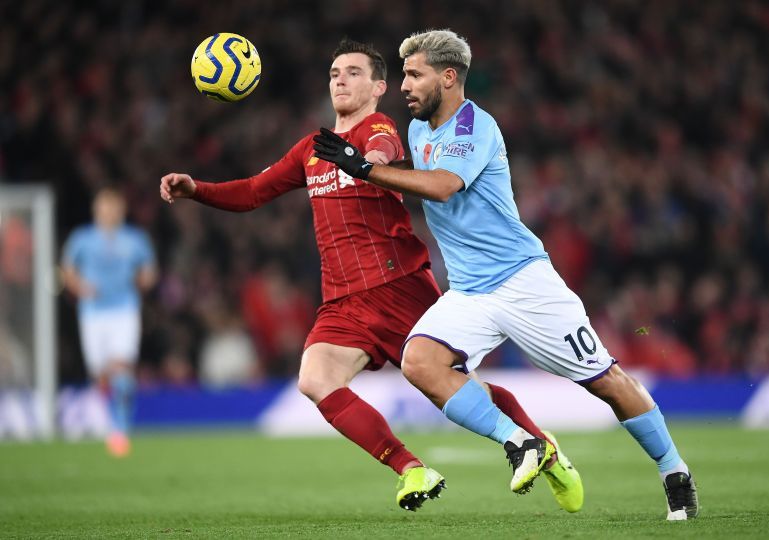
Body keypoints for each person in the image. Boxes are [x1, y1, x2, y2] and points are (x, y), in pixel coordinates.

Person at [161, 38, 581, 512]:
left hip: (397, 286)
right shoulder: (313, 150)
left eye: (353, 72)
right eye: (334, 72)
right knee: (315, 379)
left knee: (462, 385)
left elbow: (382, 149)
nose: (340, 79)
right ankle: (410, 468)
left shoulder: (377, 129)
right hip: (342, 300)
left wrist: (372, 162)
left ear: (380, 86)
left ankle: (540, 446)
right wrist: (197, 189)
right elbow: (253, 192)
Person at [312, 29, 699, 520]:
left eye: (415, 74)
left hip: (523, 282)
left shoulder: (476, 125)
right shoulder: (416, 129)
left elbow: (444, 187)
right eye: (404, 74)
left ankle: (674, 470)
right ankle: (520, 442)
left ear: (448, 77)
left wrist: (363, 170)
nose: (405, 84)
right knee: (419, 361)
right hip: (470, 291)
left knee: (606, 381)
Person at [62, 188, 157, 457]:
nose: (109, 212)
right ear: (96, 210)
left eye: (113, 207)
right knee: (101, 375)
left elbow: (149, 271)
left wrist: (142, 282)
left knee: (121, 368)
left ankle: (120, 428)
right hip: (92, 313)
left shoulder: (135, 239)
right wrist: (79, 286)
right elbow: (67, 270)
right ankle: (114, 418)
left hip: (124, 310)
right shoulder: (82, 239)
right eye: (104, 207)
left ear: (121, 211)